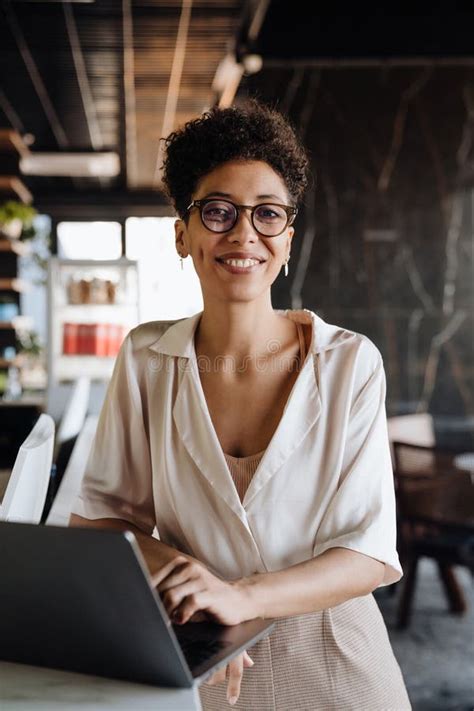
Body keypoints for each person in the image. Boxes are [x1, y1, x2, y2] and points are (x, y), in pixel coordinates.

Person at [70, 99, 411, 709]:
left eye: (267, 214)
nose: (243, 232)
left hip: (336, 650)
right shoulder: (148, 357)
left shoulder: (350, 362)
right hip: (198, 645)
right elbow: (102, 520)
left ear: (287, 239)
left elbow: (369, 550)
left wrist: (245, 596)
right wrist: (190, 579)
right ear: (183, 233)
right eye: (219, 211)